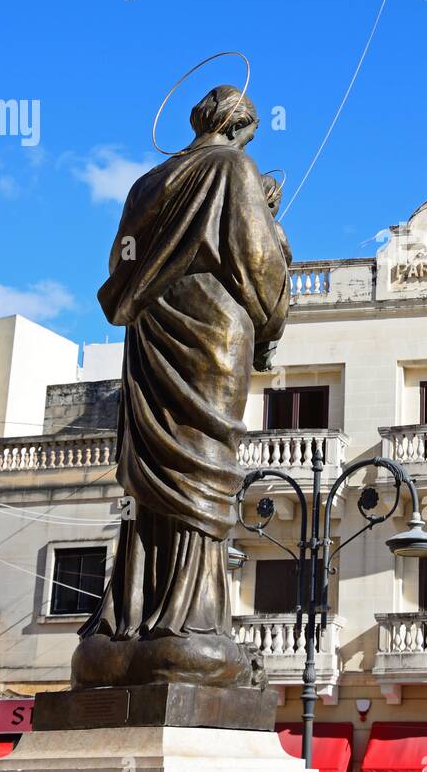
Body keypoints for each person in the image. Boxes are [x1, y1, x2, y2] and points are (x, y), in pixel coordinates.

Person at [73, 84, 290, 689]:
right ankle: (190, 624)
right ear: (240, 128)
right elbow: (258, 262)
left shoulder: (145, 183)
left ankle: (127, 622)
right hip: (214, 331)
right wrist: (271, 322)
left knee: (154, 475)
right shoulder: (232, 167)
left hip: (148, 331)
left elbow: (121, 264)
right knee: (203, 464)